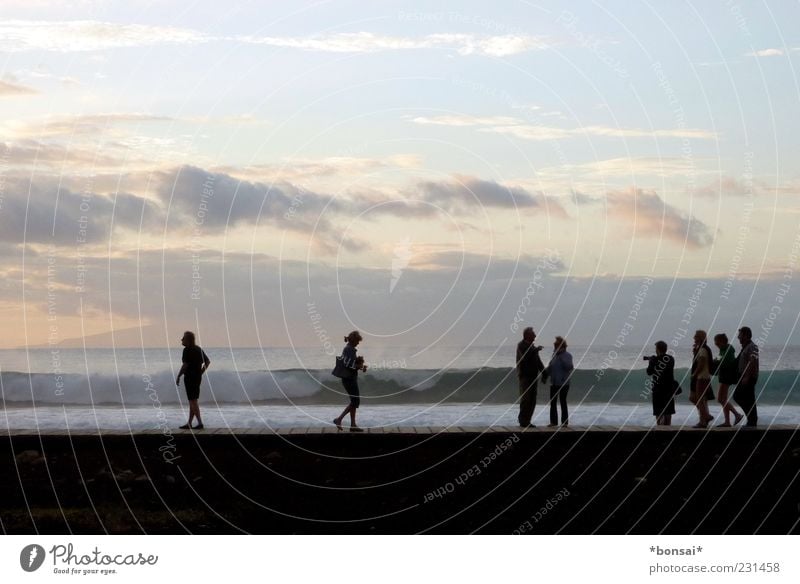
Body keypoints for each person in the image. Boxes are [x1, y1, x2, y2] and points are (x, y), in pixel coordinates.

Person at [333, 331, 368, 432]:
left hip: (350, 378)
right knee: (355, 401)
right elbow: (348, 365)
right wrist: (359, 366)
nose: (358, 343)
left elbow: (349, 363)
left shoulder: (349, 348)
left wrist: (360, 367)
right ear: (353, 340)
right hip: (349, 379)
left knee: (354, 402)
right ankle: (339, 419)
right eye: (357, 341)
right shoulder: (349, 349)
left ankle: (353, 425)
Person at [176, 331, 210, 430]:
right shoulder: (198, 349)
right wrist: (201, 372)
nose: (181, 340)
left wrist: (178, 375)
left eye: (183, 338)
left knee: (192, 400)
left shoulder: (187, 350)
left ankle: (200, 423)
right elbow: (207, 362)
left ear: (188, 340)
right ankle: (190, 423)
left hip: (190, 378)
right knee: (193, 400)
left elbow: (185, 365)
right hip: (197, 377)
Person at [516, 327, 545, 427]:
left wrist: (544, 372)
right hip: (525, 376)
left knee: (533, 400)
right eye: (533, 334)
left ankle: (527, 421)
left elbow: (538, 362)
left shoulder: (532, 347)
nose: (535, 336)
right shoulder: (521, 345)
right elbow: (525, 358)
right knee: (526, 399)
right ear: (527, 335)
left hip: (533, 377)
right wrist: (536, 350)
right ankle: (523, 421)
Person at [712, 333, 744, 427]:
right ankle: (727, 422)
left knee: (720, 399)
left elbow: (725, 362)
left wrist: (716, 362)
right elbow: (719, 358)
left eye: (716, 342)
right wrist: (714, 361)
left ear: (722, 341)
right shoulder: (723, 349)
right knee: (723, 399)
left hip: (727, 377)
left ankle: (737, 415)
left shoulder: (728, 350)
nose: (715, 343)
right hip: (724, 376)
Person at [645, 341, 676, 426]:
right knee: (668, 410)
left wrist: (650, 362)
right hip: (669, 387)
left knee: (658, 411)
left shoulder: (654, 360)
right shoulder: (671, 358)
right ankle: (668, 427)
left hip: (658, 388)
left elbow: (649, 372)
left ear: (658, 349)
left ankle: (660, 427)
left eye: (656, 348)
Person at [733, 326, 759, 427]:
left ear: (746, 335)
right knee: (749, 399)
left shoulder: (752, 346)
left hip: (749, 377)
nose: (738, 337)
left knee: (738, 396)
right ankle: (752, 421)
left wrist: (747, 377)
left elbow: (752, 362)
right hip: (744, 376)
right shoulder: (746, 346)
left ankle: (752, 419)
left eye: (740, 335)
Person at [545, 336, 573, 427]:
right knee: (553, 402)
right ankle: (553, 422)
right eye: (554, 345)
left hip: (564, 382)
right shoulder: (554, 355)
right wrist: (545, 374)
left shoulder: (567, 355)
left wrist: (561, 359)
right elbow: (551, 366)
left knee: (563, 401)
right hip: (554, 382)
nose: (555, 347)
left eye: (556, 345)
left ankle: (565, 423)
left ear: (562, 346)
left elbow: (569, 367)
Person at [690, 330, 715, 428]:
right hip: (703, 377)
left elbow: (701, 363)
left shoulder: (703, 349)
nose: (693, 338)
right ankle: (705, 418)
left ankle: (704, 419)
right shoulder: (701, 348)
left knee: (699, 399)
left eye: (695, 336)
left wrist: (694, 374)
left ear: (700, 338)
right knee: (698, 398)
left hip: (702, 377)